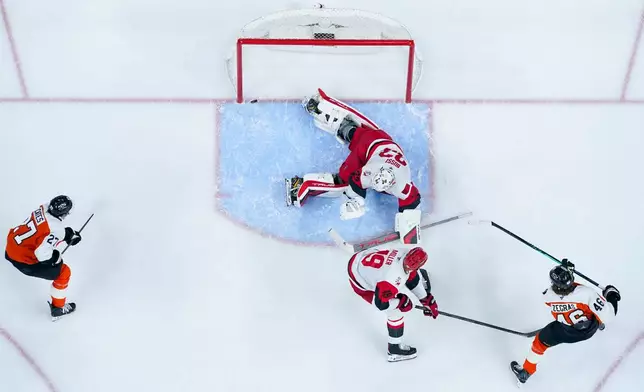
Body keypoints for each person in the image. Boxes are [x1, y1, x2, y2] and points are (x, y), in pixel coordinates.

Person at [285, 88, 423, 244]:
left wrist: (408, 226)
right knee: (342, 181)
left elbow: (412, 202)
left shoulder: (401, 185)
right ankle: (300, 185)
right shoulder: (373, 173)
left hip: (382, 140)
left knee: (358, 134)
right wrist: (356, 202)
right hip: (367, 149)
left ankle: (331, 115)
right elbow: (354, 181)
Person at [510, 259, 621, 385]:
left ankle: (526, 372)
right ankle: (600, 321)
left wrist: (565, 271)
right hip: (591, 327)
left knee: (540, 342)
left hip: (565, 332)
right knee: (596, 307)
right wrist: (612, 295)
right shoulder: (587, 294)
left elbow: (561, 292)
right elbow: (610, 314)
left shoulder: (548, 296)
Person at [347, 245, 438, 361]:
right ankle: (394, 349)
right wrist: (400, 303)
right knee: (395, 313)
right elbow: (380, 305)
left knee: (404, 274)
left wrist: (425, 298)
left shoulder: (405, 252)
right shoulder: (390, 280)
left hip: (361, 258)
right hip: (358, 279)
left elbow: (410, 276)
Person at [5, 195, 83, 321]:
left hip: (11, 247)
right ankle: (58, 308)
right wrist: (56, 258)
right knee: (64, 272)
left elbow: (42, 230)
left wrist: (67, 234)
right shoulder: (56, 228)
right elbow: (42, 254)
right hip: (22, 260)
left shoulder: (42, 208)